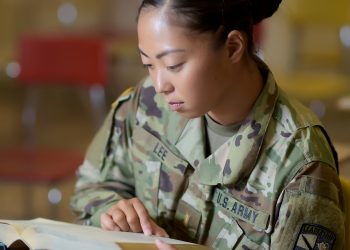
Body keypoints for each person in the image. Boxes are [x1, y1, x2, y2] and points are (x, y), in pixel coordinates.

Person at [70, 0, 346, 249]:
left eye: (174, 65)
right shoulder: (148, 104)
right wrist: (113, 212)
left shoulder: (299, 162)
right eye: (148, 65)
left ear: (233, 47)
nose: (160, 85)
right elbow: (91, 187)